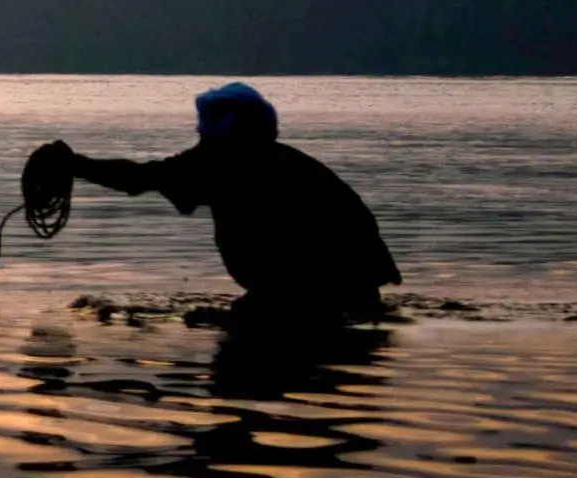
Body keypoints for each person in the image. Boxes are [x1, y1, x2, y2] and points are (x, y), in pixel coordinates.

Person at [25, 82, 399, 327]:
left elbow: (141, 179)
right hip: (353, 294)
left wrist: (74, 165)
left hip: (303, 298)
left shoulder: (227, 161)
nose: (198, 134)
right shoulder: (289, 162)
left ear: (225, 130)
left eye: (204, 127)